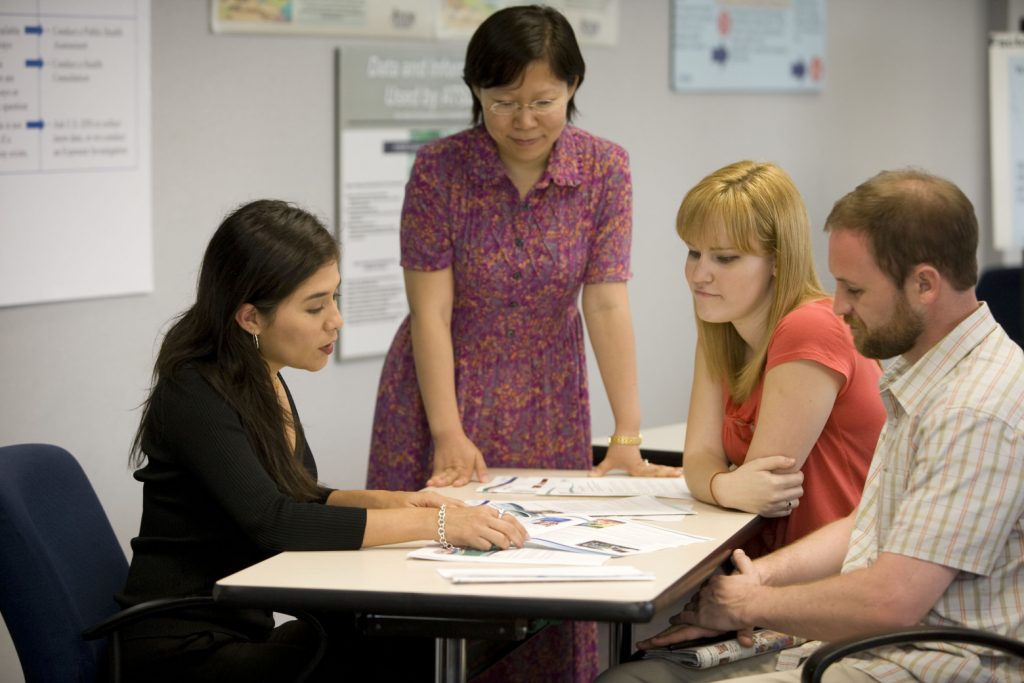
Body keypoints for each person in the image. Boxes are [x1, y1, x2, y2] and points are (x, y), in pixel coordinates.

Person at [597, 168, 1024, 683]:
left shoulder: (970, 411)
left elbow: (890, 600)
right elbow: (869, 522)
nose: (838, 305)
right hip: (874, 643)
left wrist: (750, 603)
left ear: (925, 285)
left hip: (923, 661)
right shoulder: (930, 376)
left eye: (854, 289)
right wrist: (764, 579)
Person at [369, 7, 674, 680]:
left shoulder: (605, 169)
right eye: (502, 102)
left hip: (548, 389)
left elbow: (605, 299)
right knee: (431, 569)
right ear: (476, 93)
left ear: (573, 86)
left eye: (543, 101)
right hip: (439, 379)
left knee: (547, 569)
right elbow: (431, 310)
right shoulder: (440, 169)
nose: (524, 120)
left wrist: (628, 434)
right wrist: (446, 430)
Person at [116, 199, 527, 683]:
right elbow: (275, 522)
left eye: (335, 297)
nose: (336, 320)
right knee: (399, 655)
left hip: (240, 627)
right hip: (183, 651)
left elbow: (295, 494)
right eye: (315, 306)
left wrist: (397, 503)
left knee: (407, 641)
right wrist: (438, 525)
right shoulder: (196, 390)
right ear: (250, 318)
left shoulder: (260, 376)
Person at [677, 161, 884, 556]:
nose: (698, 274)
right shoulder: (719, 325)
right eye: (693, 252)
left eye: (724, 258)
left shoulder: (811, 326)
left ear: (776, 260)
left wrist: (718, 483)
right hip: (769, 570)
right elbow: (698, 459)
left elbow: (764, 490)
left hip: (836, 579)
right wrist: (722, 485)